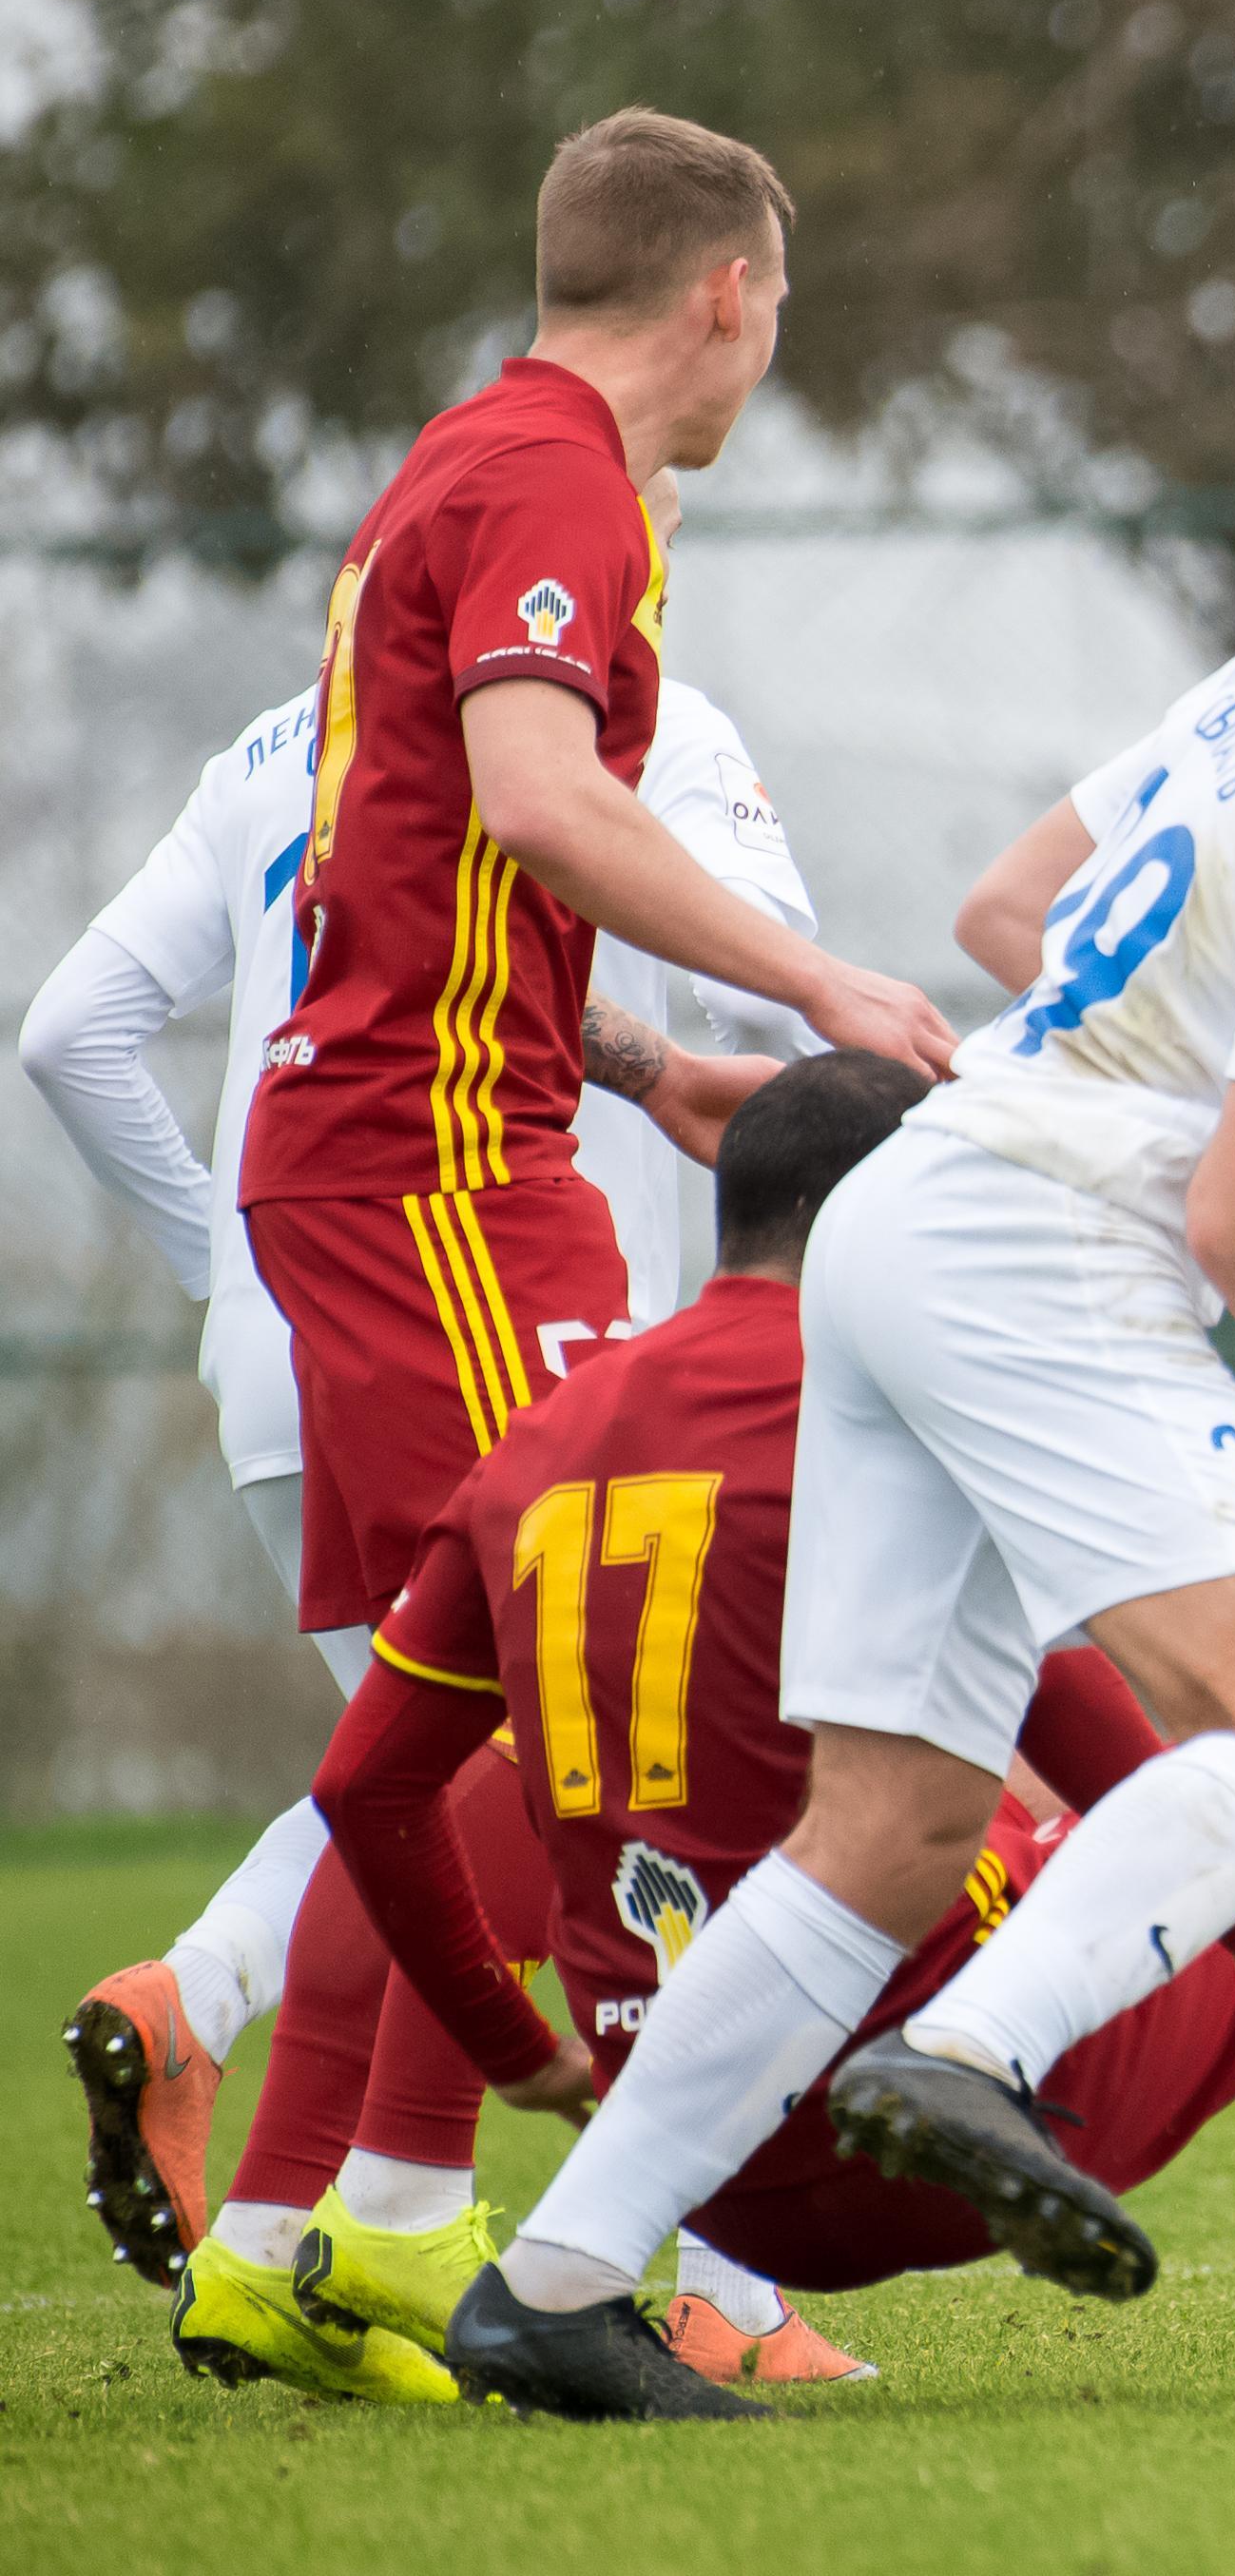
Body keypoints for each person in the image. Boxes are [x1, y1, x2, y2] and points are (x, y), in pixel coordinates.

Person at [443, 352, 1235, 2415]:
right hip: (1035, 1257)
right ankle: (981, 2055)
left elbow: (1010, 916)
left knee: (889, 1825)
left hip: (897, 1222)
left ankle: (554, 2283)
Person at [68, 106, 955, 2391]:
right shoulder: (560, 481)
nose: (772, 348)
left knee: (452, 1716)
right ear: (727, 293)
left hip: (431, 1151)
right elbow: (545, 802)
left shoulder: (469, 463)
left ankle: (297, 2234)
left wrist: (641, 1058)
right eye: (781, 307)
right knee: (575, 1683)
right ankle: (446, 2224)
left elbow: (440, 864)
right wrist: (819, 982)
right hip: (439, 1176)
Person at [308, 1054, 1235, 2415]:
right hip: (918, 2119)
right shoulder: (893, 1387)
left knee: (1023, 1801)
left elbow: (367, 1787)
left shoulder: (536, 1442)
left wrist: (521, 2054)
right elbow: (1064, 1696)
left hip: (684, 2154)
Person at [20, 605, 832, 2387]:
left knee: (430, 1773)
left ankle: (238, 2122)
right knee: (641, 1786)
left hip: (291, 1341)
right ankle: (700, 2277)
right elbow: (782, 1015)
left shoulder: (284, 741)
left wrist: (228, 1280)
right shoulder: (640, 723)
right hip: (508, 1319)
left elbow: (70, 1033)